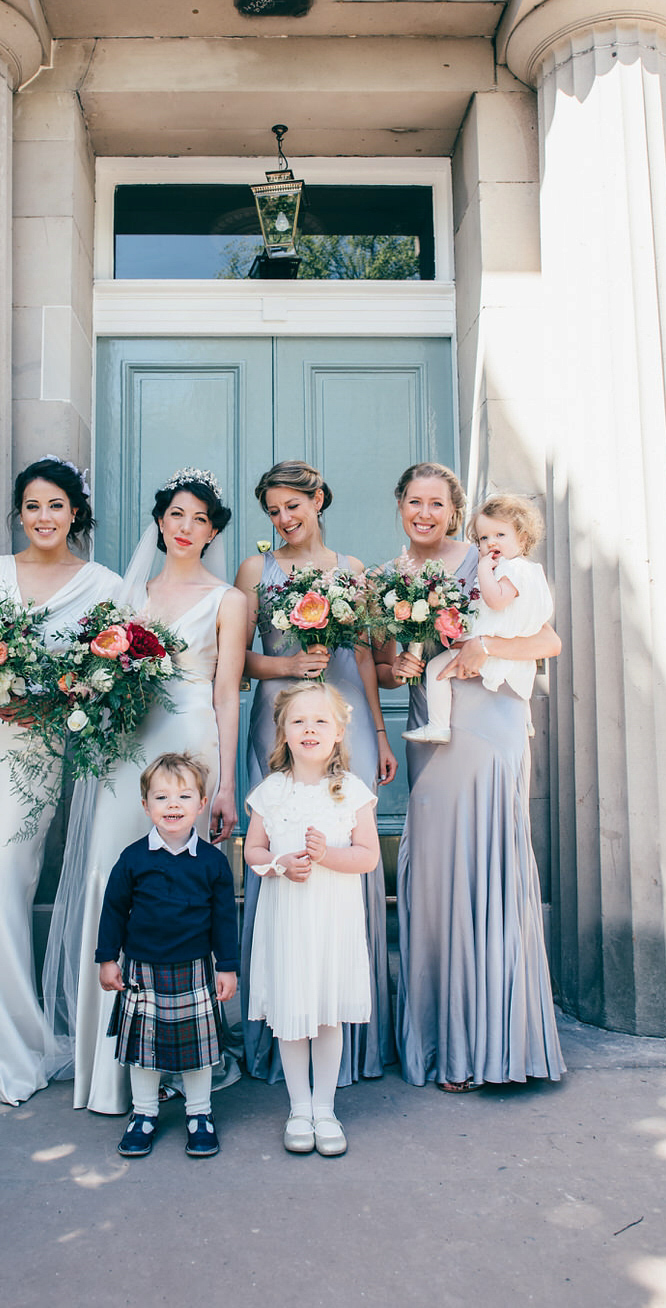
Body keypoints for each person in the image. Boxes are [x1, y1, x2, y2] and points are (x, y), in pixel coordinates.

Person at [44, 468, 248, 1114]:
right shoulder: (127, 593)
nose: (185, 528)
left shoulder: (229, 601)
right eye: (175, 516)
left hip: (191, 741)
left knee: (181, 895)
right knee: (118, 881)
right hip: (128, 746)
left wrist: (225, 787)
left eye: (199, 519)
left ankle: (181, 1058)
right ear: (159, 523)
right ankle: (112, 1072)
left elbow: (226, 695)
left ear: (212, 531)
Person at [0, 457, 122, 1105]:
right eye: (32, 506)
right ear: (19, 513)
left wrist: (53, 695)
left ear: (77, 513)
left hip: (37, 748)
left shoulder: (103, 584)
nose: (44, 518)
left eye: (56, 506)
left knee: (2, 881)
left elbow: (121, 666)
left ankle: (17, 1037)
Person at [374, 463, 565, 1091]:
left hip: (490, 719)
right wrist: (403, 661)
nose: (424, 512)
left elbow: (548, 641)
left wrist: (487, 649)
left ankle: (487, 1046)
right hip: (434, 719)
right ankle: (436, 1041)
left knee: (484, 861)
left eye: (437, 503)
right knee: (432, 868)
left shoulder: (491, 557)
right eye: (414, 502)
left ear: (454, 510)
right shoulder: (393, 575)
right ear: (400, 505)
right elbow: (403, 657)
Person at [234, 460, 396, 1086]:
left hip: (345, 718)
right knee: (282, 854)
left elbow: (362, 655)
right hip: (280, 723)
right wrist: (289, 664)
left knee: (341, 854)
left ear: (319, 499)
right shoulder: (257, 570)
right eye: (273, 511)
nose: (284, 519)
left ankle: (349, 1043)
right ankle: (277, 1036)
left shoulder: (351, 571)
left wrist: (378, 733)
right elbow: (239, 658)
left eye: (293, 506)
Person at [244, 682, 380, 1156]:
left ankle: (325, 1108)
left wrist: (327, 857)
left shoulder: (353, 792)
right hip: (287, 923)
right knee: (291, 1015)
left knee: (326, 1019)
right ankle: (298, 1107)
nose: (309, 729)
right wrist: (279, 864)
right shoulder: (271, 791)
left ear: (339, 732)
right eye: (298, 721)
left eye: (320, 721)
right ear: (282, 732)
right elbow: (254, 851)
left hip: (331, 924)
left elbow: (367, 859)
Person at [96, 752, 239, 1159]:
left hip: (195, 970)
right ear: (146, 806)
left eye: (183, 796)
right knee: (145, 1049)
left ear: (201, 804)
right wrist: (108, 959)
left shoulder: (211, 862)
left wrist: (226, 967)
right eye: (161, 798)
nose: (172, 805)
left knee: (198, 1049)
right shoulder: (133, 859)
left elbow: (224, 919)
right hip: (142, 969)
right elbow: (113, 910)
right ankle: (144, 1113)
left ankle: (200, 1114)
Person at [404, 493, 553, 744]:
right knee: (521, 676)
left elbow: (496, 600)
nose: (491, 543)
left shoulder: (509, 569)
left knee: (435, 668)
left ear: (523, 538)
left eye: (500, 535)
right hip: (510, 642)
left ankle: (438, 725)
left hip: (495, 642)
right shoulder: (530, 570)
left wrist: (484, 569)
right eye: (484, 538)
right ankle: (525, 722)